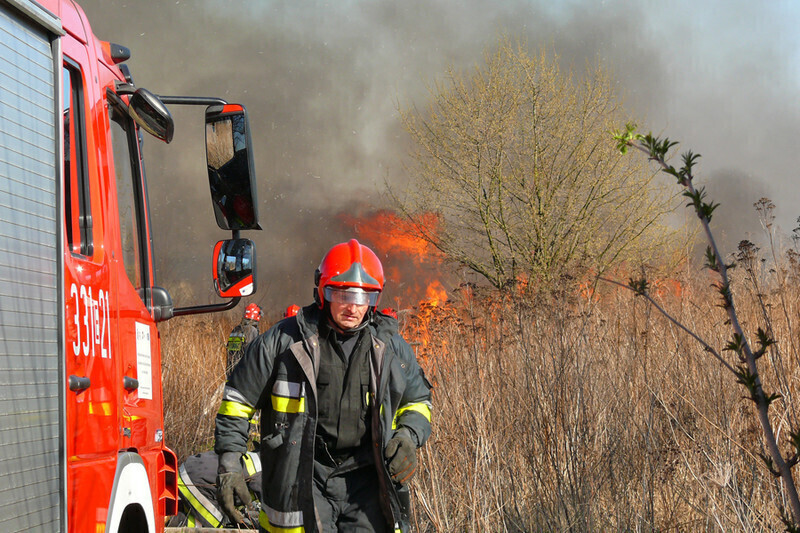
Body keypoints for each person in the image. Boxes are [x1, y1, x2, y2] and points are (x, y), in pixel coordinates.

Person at [214, 239, 433, 532]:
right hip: (304, 472)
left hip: (367, 479)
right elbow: (237, 401)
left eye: (363, 297)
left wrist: (408, 435)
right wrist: (229, 462)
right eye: (342, 294)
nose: (353, 307)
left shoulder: (391, 348)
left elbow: (418, 400)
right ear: (323, 291)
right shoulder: (283, 342)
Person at [168, 450, 263, 529]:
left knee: (200, 514)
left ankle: (167, 518)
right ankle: (171, 525)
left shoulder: (258, 458)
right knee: (214, 526)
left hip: (192, 470)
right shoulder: (264, 473)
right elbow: (271, 509)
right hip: (196, 480)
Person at [226, 302, 262, 378]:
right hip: (243, 373)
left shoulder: (236, 329)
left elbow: (230, 351)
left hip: (231, 371)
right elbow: (252, 352)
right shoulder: (251, 330)